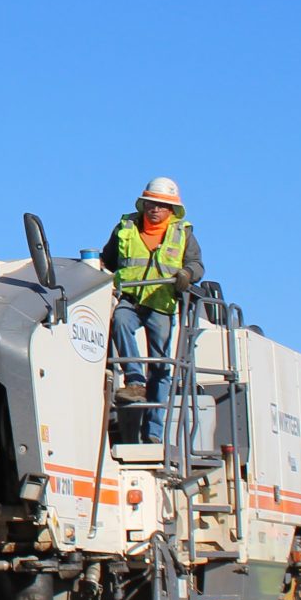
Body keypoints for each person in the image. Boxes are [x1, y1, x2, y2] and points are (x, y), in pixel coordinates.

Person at [100, 177, 205, 443]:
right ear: (143, 203)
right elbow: (108, 259)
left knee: (161, 367)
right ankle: (135, 381)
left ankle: (154, 433)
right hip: (132, 298)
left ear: (172, 210)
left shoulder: (183, 233)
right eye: (152, 203)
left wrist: (187, 273)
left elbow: (197, 265)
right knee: (121, 320)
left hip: (162, 303)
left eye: (162, 205)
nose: (155, 209)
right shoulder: (125, 228)